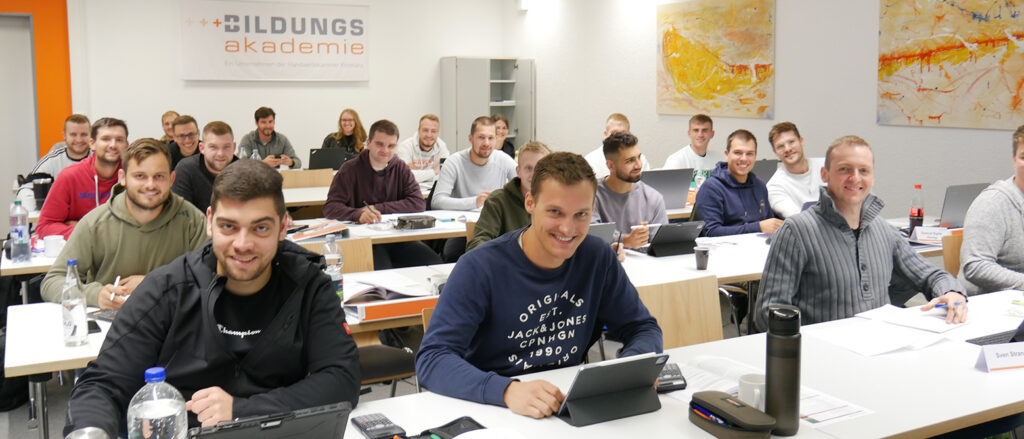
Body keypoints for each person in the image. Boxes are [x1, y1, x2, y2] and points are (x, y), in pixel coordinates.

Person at [62, 159, 361, 437]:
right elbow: (101, 385)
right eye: (228, 227)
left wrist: (240, 411)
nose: (242, 244)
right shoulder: (167, 289)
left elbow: (341, 379)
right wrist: (91, 432)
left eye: (260, 228)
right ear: (209, 222)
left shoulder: (309, 286)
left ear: (283, 227)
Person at [416, 152, 662, 418]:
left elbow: (642, 327)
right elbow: (432, 360)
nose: (568, 229)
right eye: (555, 212)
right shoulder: (479, 267)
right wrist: (507, 390)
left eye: (581, 214)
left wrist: (630, 369)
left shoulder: (597, 257)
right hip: (492, 408)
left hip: (563, 405)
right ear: (530, 203)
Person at [754, 135, 968, 330]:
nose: (855, 178)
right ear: (825, 174)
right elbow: (768, 313)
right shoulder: (796, 232)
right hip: (823, 357)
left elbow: (932, 275)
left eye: (863, 171)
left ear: (872, 178)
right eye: (844, 169)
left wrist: (951, 293)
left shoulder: (884, 231)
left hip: (879, 349)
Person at [41, 138, 206, 309]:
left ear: (172, 179)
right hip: (110, 325)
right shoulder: (95, 224)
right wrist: (94, 295)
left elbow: (211, 278)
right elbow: (53, 281)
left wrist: (155, 283)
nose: (150, 185)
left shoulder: (192, 221)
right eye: (140, 176)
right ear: (123, 178)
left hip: (173, 323)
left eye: (159, 176)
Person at [323, 119, 442, 269]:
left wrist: (378, 208)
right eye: (379, 144)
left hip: (397, 238)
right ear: (368, 143)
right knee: (383, 271)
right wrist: (357, 214)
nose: (385, 150)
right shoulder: (349, 169)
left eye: (391, 146)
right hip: (366, 240)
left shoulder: (400, 167)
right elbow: (330, 207)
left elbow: (418, 203)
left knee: (436, 264)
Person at [431, 116, 517, 261]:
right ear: (471, 138)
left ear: (496, 140)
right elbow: (437, 201)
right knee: (454, 254)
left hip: (496, 227)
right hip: (462, 230)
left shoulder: (503, 160)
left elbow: (525, 187)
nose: (486, 143)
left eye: (491, 138)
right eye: (481, 137)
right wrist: (475, 202)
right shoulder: (455, 161)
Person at [36, 117, 128, 239]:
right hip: (81, 250)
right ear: (92, 144)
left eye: (119, 140)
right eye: (105, 139)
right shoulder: (69, 176)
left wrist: (83, 226)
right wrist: (86, 232)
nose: (113, 145)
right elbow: (44, 227)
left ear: (126, 145)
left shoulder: (134, 176)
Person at [959, 124, 1024, 294]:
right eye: (1023, 157)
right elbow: (975, 266)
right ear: (1013, 159)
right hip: (990, 305)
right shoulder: (992, 203)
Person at [694, 129, 782, 237]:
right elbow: (711, 232)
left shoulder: (760, 185)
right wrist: (758, 227)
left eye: (749, 153)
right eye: (738, 153)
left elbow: (769, 223)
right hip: (726, 250)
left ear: (755, 156)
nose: (744, 159)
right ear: (727, 154)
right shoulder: (711, 188)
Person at [467, 141, 551, 251]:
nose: (534, 175)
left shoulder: (557, 203)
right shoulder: (497, 201)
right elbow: (478, 243)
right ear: (518, 171)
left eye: (540, 169)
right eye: (528, 168)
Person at [593, 132, 668, 249]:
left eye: (639, 157)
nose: (638, 165)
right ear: (611, 165)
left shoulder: (654, 198)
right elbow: (589, 235)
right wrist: (626, 241)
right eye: (629, 161)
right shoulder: (591, 195)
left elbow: (662, 244)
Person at [15, 114, 92, 204]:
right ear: (64, 135)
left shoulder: (100, 159)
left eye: (84, 135)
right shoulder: (51, 161)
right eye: (73, 135)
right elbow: (25, 189)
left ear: (91, 136)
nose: (79, 140)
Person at [172, 121, 239, 212]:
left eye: (226, 147)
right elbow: (181, 215)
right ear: (202, 148)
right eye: (213, 147)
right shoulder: (186, 170)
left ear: (234, 147)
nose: (220, 154)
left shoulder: (244, 172)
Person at [765, 122, 824, 218]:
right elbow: (798, 219)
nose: (787, 149)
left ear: (801, 141)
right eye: (781, 146)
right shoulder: (774, 187)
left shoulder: (827, 166)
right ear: (775, 152)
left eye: (791, 142)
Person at [662, 114, 722, 192]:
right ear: (689, 133)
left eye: (704, 130)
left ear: (712, 134)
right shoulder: (676, 159)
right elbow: (666, 190)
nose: (700, 134)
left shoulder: (718, 160)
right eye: (696, 130)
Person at [583, 113, 651, 179]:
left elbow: (647, 183)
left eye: (623, 133)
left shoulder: (640, 160)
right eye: (614, 133)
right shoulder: (591, 161)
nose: (619, 138)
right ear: (606, 134)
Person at [396, 114, 449, 192]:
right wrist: (434, 171)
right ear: (418, 130)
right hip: (409, 193)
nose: (429, 135)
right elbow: (404, 177)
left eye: (433, 131)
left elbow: (446, 175)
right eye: (425, 130)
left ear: (438, 133)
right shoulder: (405, 147)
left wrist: (416, 173)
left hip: (432, 194)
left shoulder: (442, 146)